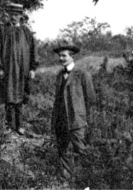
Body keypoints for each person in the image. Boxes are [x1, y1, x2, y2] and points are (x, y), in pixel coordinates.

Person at [0, 2, 38, 135]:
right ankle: (8, 126)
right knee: (9, 96)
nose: (14, 17)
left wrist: (33, 68)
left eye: (17, 14)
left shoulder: (26, 31)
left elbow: (34, 49)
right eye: (11, 14)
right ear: (8, 14)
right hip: (8, 69)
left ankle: (19, 125)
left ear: (21, 15)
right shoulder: (1, 30)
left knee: (21, 97)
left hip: (23, 69)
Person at [51, 42, 96, 181]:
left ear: (72, 57)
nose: (61, 59)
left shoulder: (82, 74)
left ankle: (88, 179)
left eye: (64, 56)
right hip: (61, 119)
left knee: (81, 150)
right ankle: (67, 179)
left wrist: (86, 118)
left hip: (77, 119)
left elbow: (91, 99)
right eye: (59, 56)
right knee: (63, 150)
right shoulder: (59, 75)